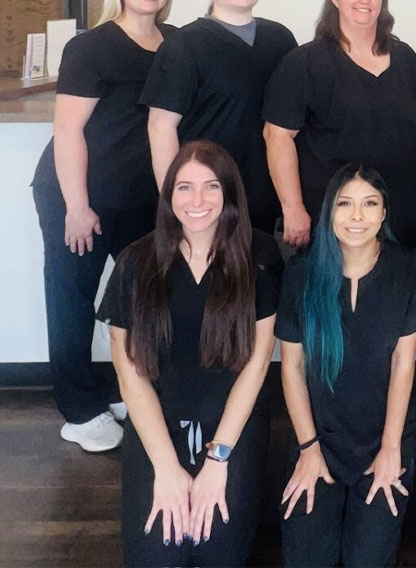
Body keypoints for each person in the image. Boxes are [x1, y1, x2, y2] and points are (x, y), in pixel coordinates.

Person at [98, 140, 281, 567]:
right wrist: (165, 467)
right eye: (184, 188)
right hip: (159, 427)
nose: (197, 201)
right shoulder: (134, 262)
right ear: (169, 196)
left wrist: (218, 460)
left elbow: (257, 363)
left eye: (211, 187)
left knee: (218, 553)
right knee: (159, 555)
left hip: (230, 427)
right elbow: (130, 376)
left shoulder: (261, 257)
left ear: (229, 194)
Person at [31, 0, 175, 453]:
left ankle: (119, 388)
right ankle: (78, 408)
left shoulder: (175, 43)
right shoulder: (92, 46)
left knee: (141, 301)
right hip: (79, 193)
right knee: (72, 299)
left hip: (140, 199)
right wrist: (77, 205)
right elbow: (68, 129)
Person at [277, 164, 416, 567]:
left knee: (368, 559)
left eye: (370, 204)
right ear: (329, 211)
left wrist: (390, 449)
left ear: (384, 213)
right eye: (345, 204)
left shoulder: (408, 268)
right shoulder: (301, 273)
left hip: (384, 435)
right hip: (320, 437)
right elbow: (291, 367)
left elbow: (404, 363)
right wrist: (308, 449)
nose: (357, 216)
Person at [263, 0, 416, 250]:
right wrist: (292, 208)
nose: (364, 0)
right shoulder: (305, 62)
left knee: (396, 287)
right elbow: (276, 136)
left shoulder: (405, 58)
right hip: (333, 211)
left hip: (398, 207)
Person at [143, 0, 296, 235]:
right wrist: (174, 198)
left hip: (266, 191)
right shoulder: (184, 45)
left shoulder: (280, 40)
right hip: (207, 193)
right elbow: (161, 126)